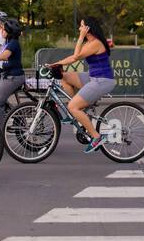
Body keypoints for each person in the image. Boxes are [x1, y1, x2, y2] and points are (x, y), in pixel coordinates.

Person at [48, 16, 115, 152]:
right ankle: (76, 111)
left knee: (73, 106)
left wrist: (80, 37)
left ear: (88, 28)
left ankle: (96, 137)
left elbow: (77, 56)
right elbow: (73, 57)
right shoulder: (89, 43)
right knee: (64, 77)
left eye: (82, 26)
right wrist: (56, 64)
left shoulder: (95, 43)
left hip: (102, 80)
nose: (79, 28)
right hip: (92, 77)